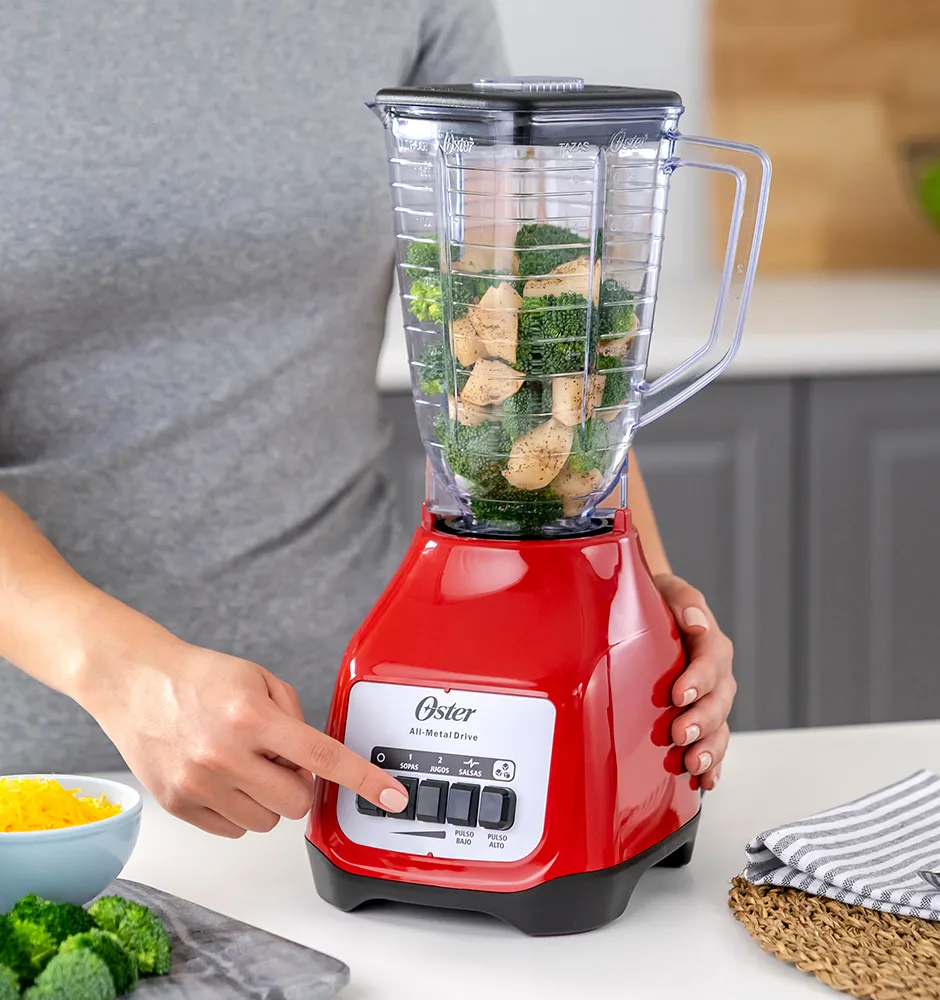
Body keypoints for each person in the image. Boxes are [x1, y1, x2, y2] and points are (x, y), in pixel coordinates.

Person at [0, 1, 735, 838]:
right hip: (52, 776)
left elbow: (523, 339)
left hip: (384, 727)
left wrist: (639, 614)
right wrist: (124, 675)